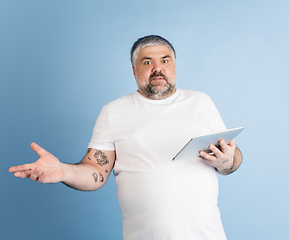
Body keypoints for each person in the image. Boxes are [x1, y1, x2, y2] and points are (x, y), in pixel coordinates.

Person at [9, 35, 243, 240]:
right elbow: (96, 172)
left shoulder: (201, 102)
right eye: (147, 62)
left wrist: (227, 162)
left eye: (165, 60)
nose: (157, 68)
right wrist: (63, 171)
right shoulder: (114, 112)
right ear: (134, 70)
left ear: (174, 66)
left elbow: (231, 156)